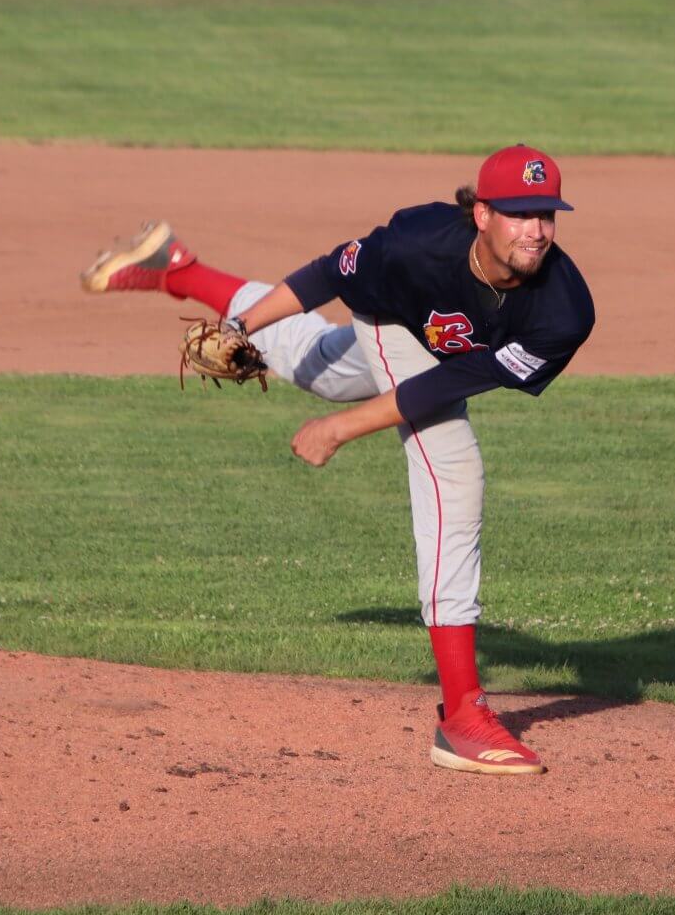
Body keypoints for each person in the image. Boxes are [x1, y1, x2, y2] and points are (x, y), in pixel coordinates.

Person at [81, 145, 596, 776]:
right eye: (519, 213)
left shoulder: (565, 312)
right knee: (451, 465)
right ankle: (462, 715)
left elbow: (447, 383)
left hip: (442, 358)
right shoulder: (415, 242)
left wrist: (341, 425)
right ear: (482, 214)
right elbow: (328, 274)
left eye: (546, 214)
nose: (536, 230)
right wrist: (241, 327)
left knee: (318, 367)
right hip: (390, 313)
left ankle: (176, 269)